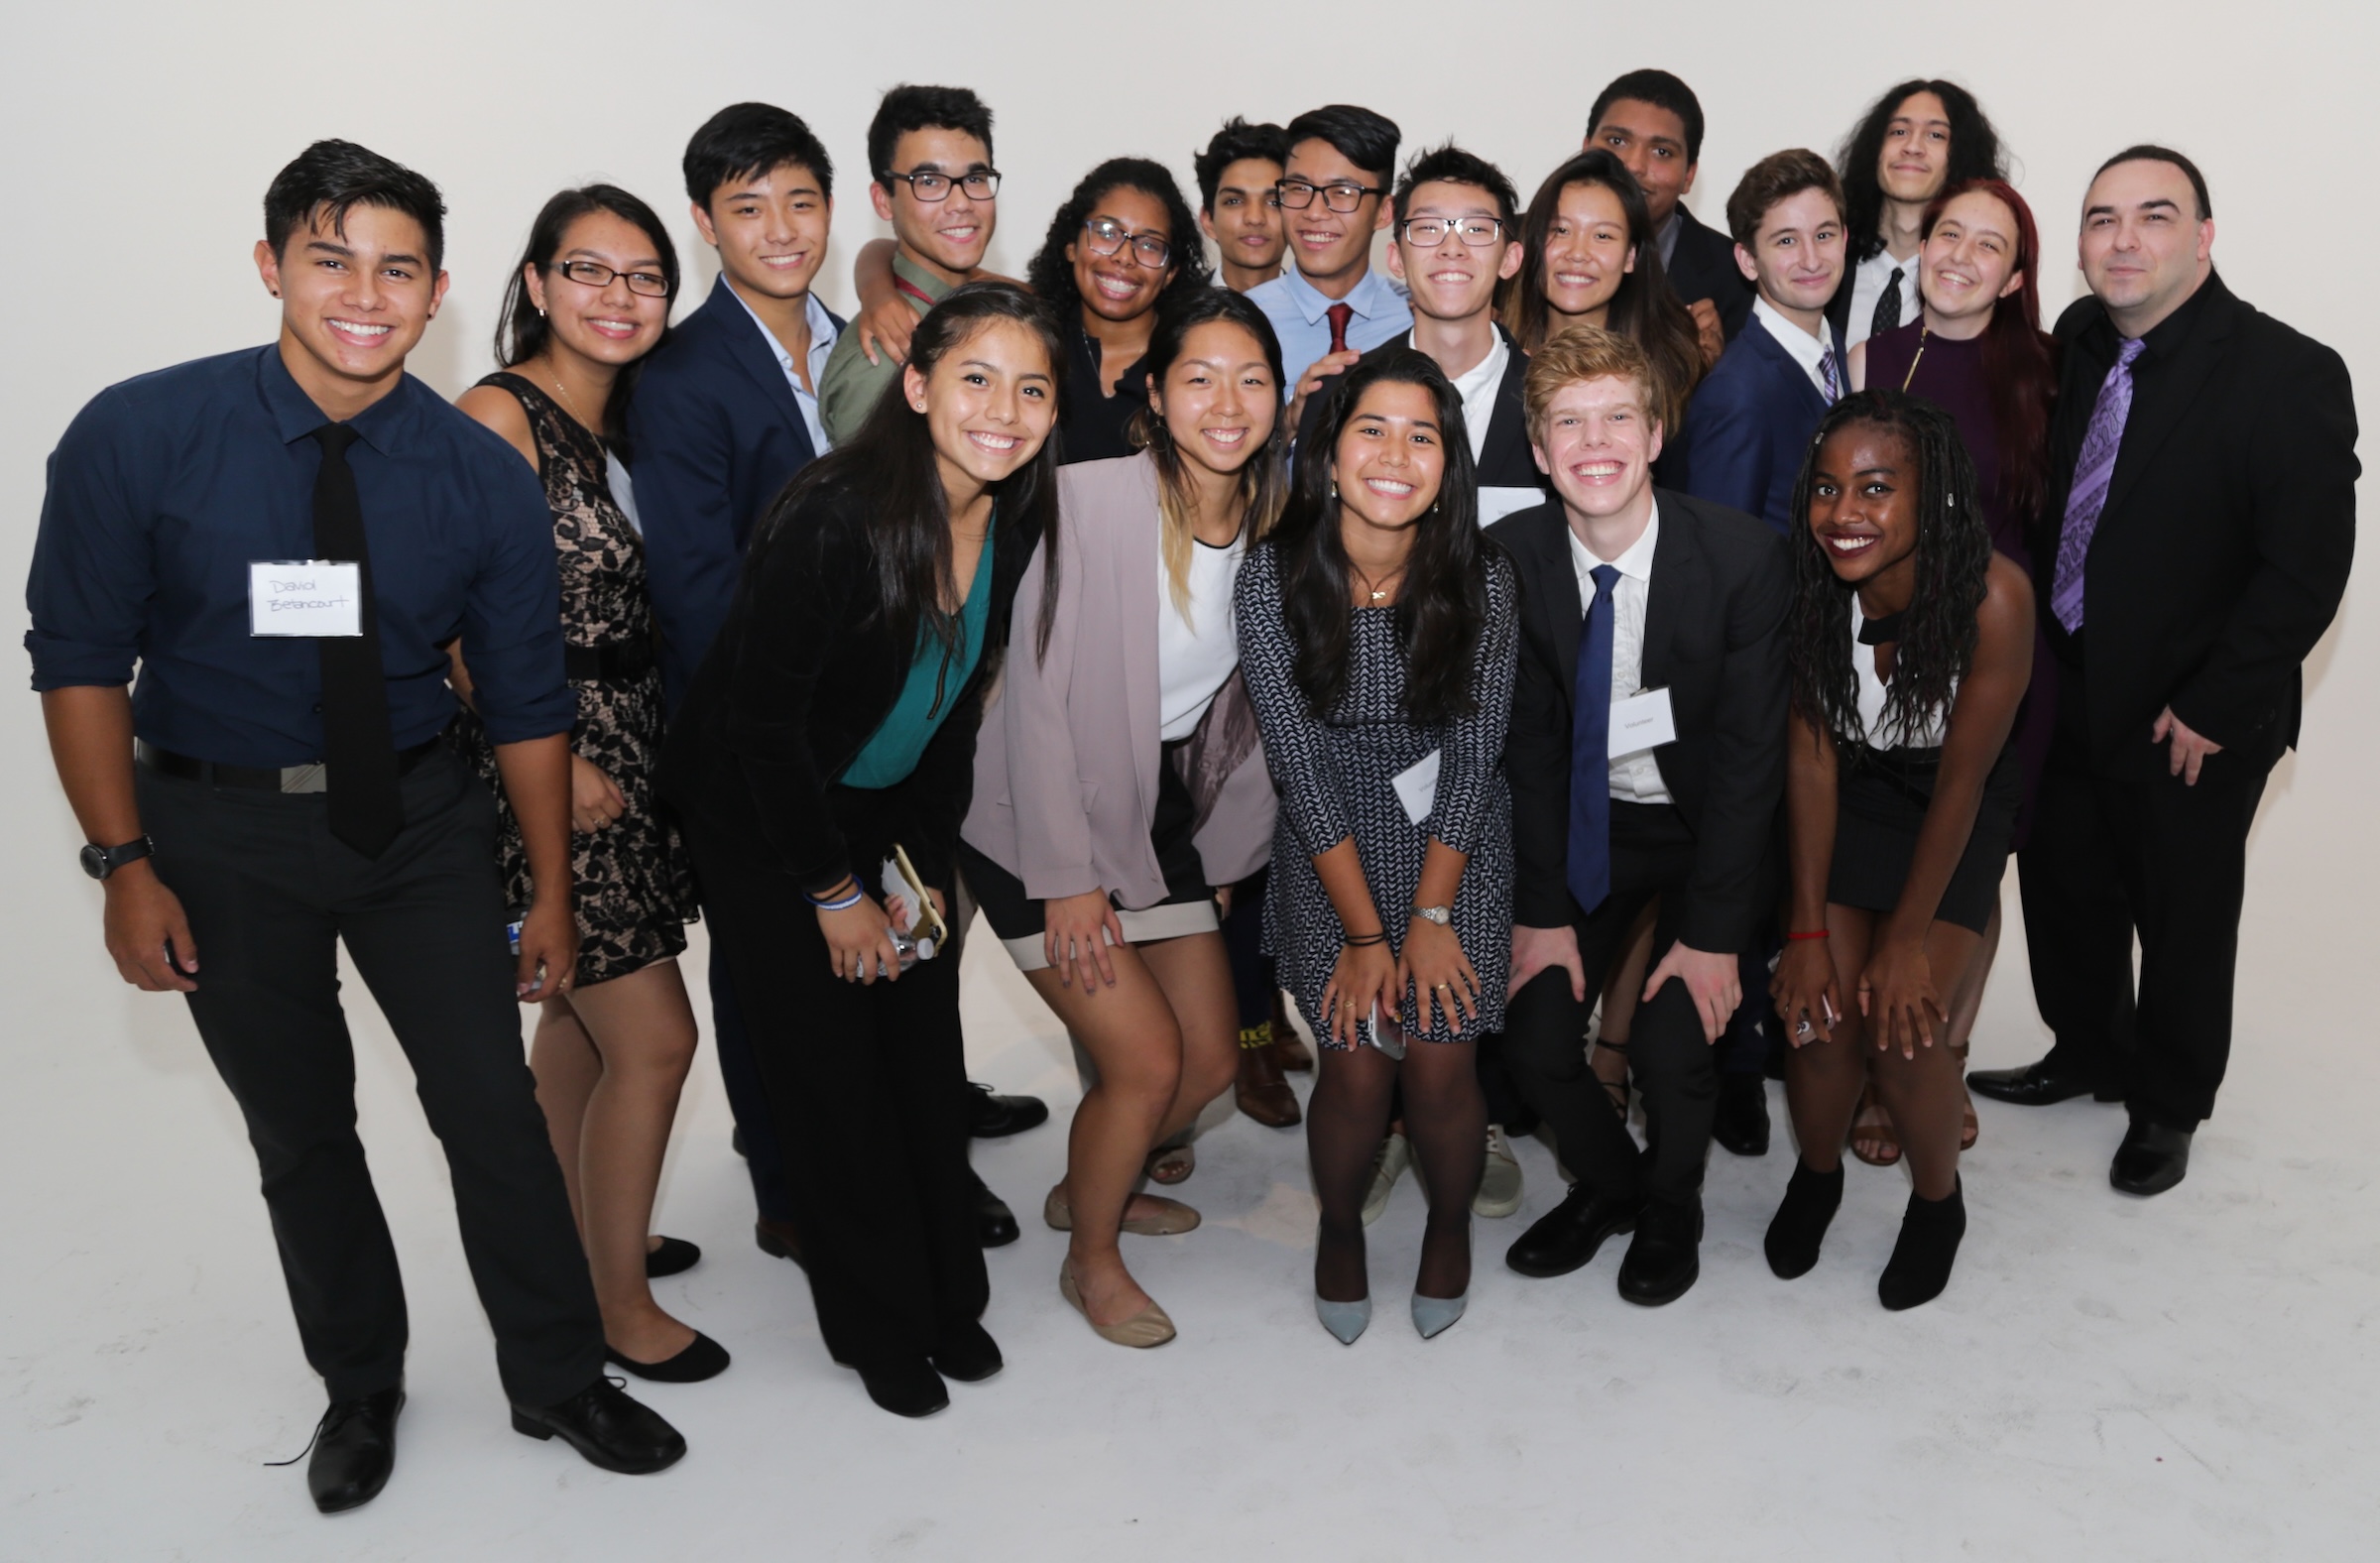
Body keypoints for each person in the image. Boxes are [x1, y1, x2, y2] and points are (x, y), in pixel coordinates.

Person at [25, 140, 684, 1513]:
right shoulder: (136, 434)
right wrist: (122, 865)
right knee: (302, 1130)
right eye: (331, 259)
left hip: (420, 825)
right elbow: (76, 659)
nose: (364, 294)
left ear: (438, 290)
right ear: (272, 267)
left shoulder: (474, 472)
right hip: (215, 835)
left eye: (396, 267)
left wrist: (550, 892)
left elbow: (523, 701)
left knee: (490, 1109)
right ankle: (361, 1386)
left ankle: (558, 1374)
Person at [657, 283, 1062, 1417]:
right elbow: (760, 730)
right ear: (920, 385)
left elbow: (948, 706)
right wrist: (835, 893)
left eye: (1031, 388)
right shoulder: (838, 514)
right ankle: (875, 1327)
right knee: (833, 1082)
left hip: (887, 809)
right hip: (763, 815)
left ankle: (946, 1301)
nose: (1005, 408)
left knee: (922, 1059)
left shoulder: (1018, 513)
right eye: (976, 379)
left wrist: (920, 874)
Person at [1978, 147, 2358, 1197]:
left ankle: (2169, 1101)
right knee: (2066, 889)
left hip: (2192, 710)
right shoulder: (2081, 340)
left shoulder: (2290, 374)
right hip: (2067, 684)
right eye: (2102, 219)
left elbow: (2306, 568)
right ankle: (2089, 1048)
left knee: (2183, 913)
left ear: (2204, 235)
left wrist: (2217, 704)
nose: (2124, 239)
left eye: (2154, 215)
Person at [960, 288, 1287, 1346]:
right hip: (1032, 812)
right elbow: (1039, 700)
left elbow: (1251, 715)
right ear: (1156, 393)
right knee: (1143, 1061)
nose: (1226, 401)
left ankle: (1084, 1187)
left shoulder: (1280, 524)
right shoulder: (1092, 499)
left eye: (1251, 378)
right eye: (1199, 376)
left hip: (1156, 813)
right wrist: (1065, 877)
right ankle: (1089, 1259)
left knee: (1204, 1065)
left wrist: (1228, 854)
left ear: (1281, 400)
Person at [449, 185, 718, 1382]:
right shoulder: (498, 417)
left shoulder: (629, 421)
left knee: (580, 1021)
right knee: (655, 1038)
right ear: (538, 282)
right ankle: (613, 1303)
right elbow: (440, 617)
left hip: (637, 743)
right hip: (554, 758)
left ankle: (577, 1235)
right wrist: (554, 756)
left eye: (644, 275)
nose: (618, 296)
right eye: (588, 270)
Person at [1490, 326, 1788, 1304]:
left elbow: (1751, 767)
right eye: (1569, 423)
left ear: (1656, 434)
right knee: (1534, 1039)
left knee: (1670, 1043)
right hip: (1589, 829)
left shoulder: (1744, 560)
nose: (1596, 441)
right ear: (1539, 452)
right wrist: (1539, 910)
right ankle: (1614, 1187)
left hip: (1711, 831)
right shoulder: (1512, 560)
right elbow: (1528, 754)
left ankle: (1674, 1209)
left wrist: (1709, 939)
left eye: (1619, 415)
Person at [1238, 347, 1519, 1345]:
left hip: (1458, 833)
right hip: (1332, 847)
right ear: (1327, 453)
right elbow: (1298, 765)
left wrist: (1432, 917)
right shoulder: (1272, 572)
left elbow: (1478, 749)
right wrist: (1367, 935)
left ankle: (1449, 1224)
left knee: (1441, 1056)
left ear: (1449, 462)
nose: (1396, 453)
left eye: (1423, 434)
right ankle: (1341, 1229)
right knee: (1355, 1058)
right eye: (1372, 429)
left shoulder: (1482, 573)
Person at [1298, 143, 1539, 1221]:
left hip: (1504, 734)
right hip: (1353, 762)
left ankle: (1450, 1116)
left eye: (1477, 227)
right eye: (1430, 226)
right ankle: (1382, 1129)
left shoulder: (1560, 396)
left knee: (1456, 1020)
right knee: (1365, 1026)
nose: (1452, 248)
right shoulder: (1349, 397)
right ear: (1394, 248)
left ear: (1511, 252)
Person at [1766, 390, 2034, 1310]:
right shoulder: (1807, 583)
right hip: (1852, 795)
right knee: (1815, 1023)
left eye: (1876, 488)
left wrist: (1906, 941)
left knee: (1904, 1033)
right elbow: (1809, 758)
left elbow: (1962, 786)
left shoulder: (1994, 597)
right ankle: (1817, 1175)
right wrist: (1804, 935)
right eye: (1829, 488)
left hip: (1948, 812)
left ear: (1936, 498)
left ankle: (1936, 1203)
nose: (1846, 513)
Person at [1844, 177, 2059, 1166]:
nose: (1962, 256)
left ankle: (1945, 1049)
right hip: (1877, 652)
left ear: (2016, 275)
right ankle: (1884, 1047)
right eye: (1948, 234)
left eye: (1990, 246)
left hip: (2001, 657)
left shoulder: (2044, 374)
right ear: (1920, 246)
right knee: (1888, 839)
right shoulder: (1870, 359)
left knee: (1978, 845)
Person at [818, 84, 1002, 444]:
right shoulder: (886, 354)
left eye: (975, 178)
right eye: (929, 181)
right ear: (883, 201)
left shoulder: (988, 309)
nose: (961, 202)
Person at [1680, 150, 1849, 535]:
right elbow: (1722, 549)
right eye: (1786, 241)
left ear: (1844, 239)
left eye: (1824, 235)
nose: (1811, 260)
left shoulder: (1832, 344)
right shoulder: (1734, 392)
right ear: (1747, 260)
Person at [1502, 150, 1705, 442]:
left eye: (1603, 236)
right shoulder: (1493, 354)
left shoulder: (1675, 367)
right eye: (1560, 230)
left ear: (1630, 256)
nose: (1578, 253)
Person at [1024, 158, 1212, 464]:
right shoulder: (1031, 344)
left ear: (1170, 273)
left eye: (1150, 245)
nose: (1125, 257)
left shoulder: (1191, 361)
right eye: (1107, 232)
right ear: (1072, 245)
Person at [1247, 104, 1412, 419]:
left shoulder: (1415, 318)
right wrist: (1288, 425)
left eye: (1342, 191)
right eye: (1298, 188)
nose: (1315, 212)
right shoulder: (1243, 321)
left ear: (1384, 211)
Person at [1828, 78, 2007, 352]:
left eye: (1935, 135)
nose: (1912, 147)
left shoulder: (1976, 283)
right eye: (1898, 131)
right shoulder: (1826, 265)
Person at [1584, 68, 1750, 358]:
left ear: (1689, 176)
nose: (1634, 165)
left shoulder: (1739, 278)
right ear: (1586, 150)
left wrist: (1715, 372)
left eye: (1661, 151)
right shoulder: (1513, 246)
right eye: (1617, 141)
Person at [1195, 117, 1289, 294]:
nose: (1255, 218)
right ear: (1208, 220)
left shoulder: (1330, 316)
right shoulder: (1172, 315)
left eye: (1274, 202)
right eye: (1234, 201)